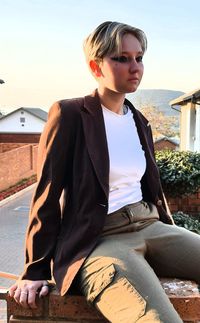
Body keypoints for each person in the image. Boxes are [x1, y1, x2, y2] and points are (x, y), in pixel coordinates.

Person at [9, 21, 200, 323]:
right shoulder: (70, 115)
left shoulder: (139, 121)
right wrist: (35, 270)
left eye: (139, 58)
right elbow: (46, 194)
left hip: (150, 224)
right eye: (121, 58)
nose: (134, 67)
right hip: (100, 239)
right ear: (95, 66)